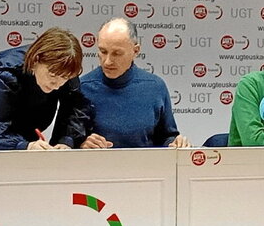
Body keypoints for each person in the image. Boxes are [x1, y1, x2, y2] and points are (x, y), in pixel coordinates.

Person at [0, 27, 89, 150]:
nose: (57, 84)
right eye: (52, 75)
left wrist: (66, 141)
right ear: (36, 60)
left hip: (25, 126)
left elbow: (75, 107)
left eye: (64, 78)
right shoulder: (7, 73)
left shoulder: (67, 68)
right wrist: (26, 146)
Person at [80, 18, 189, 148]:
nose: (107, 61)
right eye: (103, 52)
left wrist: (176, 143)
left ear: (135, 51)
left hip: (146, 167)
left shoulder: (155, 87)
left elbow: (166, 137)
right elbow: (64, 141)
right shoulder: (82, 88)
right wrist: (81, 144)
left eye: (117, 53)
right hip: (96, 167)